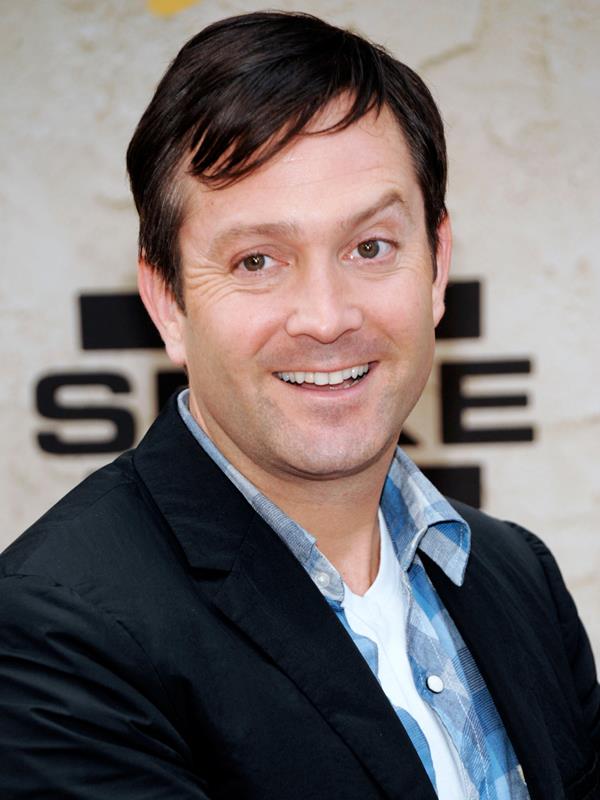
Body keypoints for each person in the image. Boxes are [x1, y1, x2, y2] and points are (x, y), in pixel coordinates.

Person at [0, 11, 598, 800]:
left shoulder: (518, 575)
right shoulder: (55, 634)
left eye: (370, 248)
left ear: (437, 265)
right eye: (257, 261)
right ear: (168, 301)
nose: (326, 316)